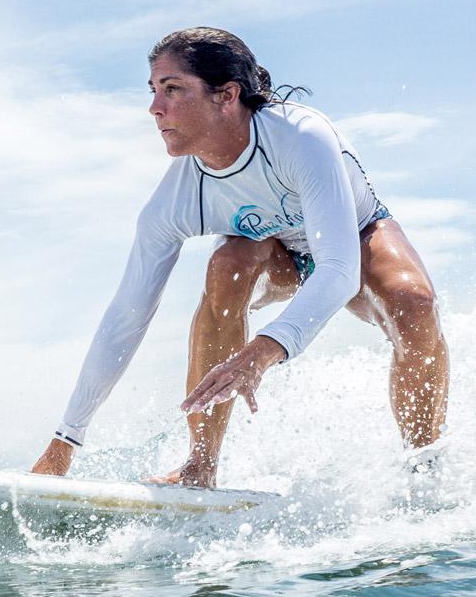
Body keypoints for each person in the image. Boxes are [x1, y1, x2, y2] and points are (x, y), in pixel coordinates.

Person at [30, 27, 450, 489]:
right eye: (153, 91)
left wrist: (265, 350)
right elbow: (126, 317)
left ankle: (423, 471)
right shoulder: (176, 201)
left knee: (414, 302)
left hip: (355, 236)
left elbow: (339, 268)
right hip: (277, 256)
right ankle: (199, 466)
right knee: (226, 266)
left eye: (173, 89)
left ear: (226, 95)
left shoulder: (300, 137)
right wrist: (65, 441)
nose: (155, 108)